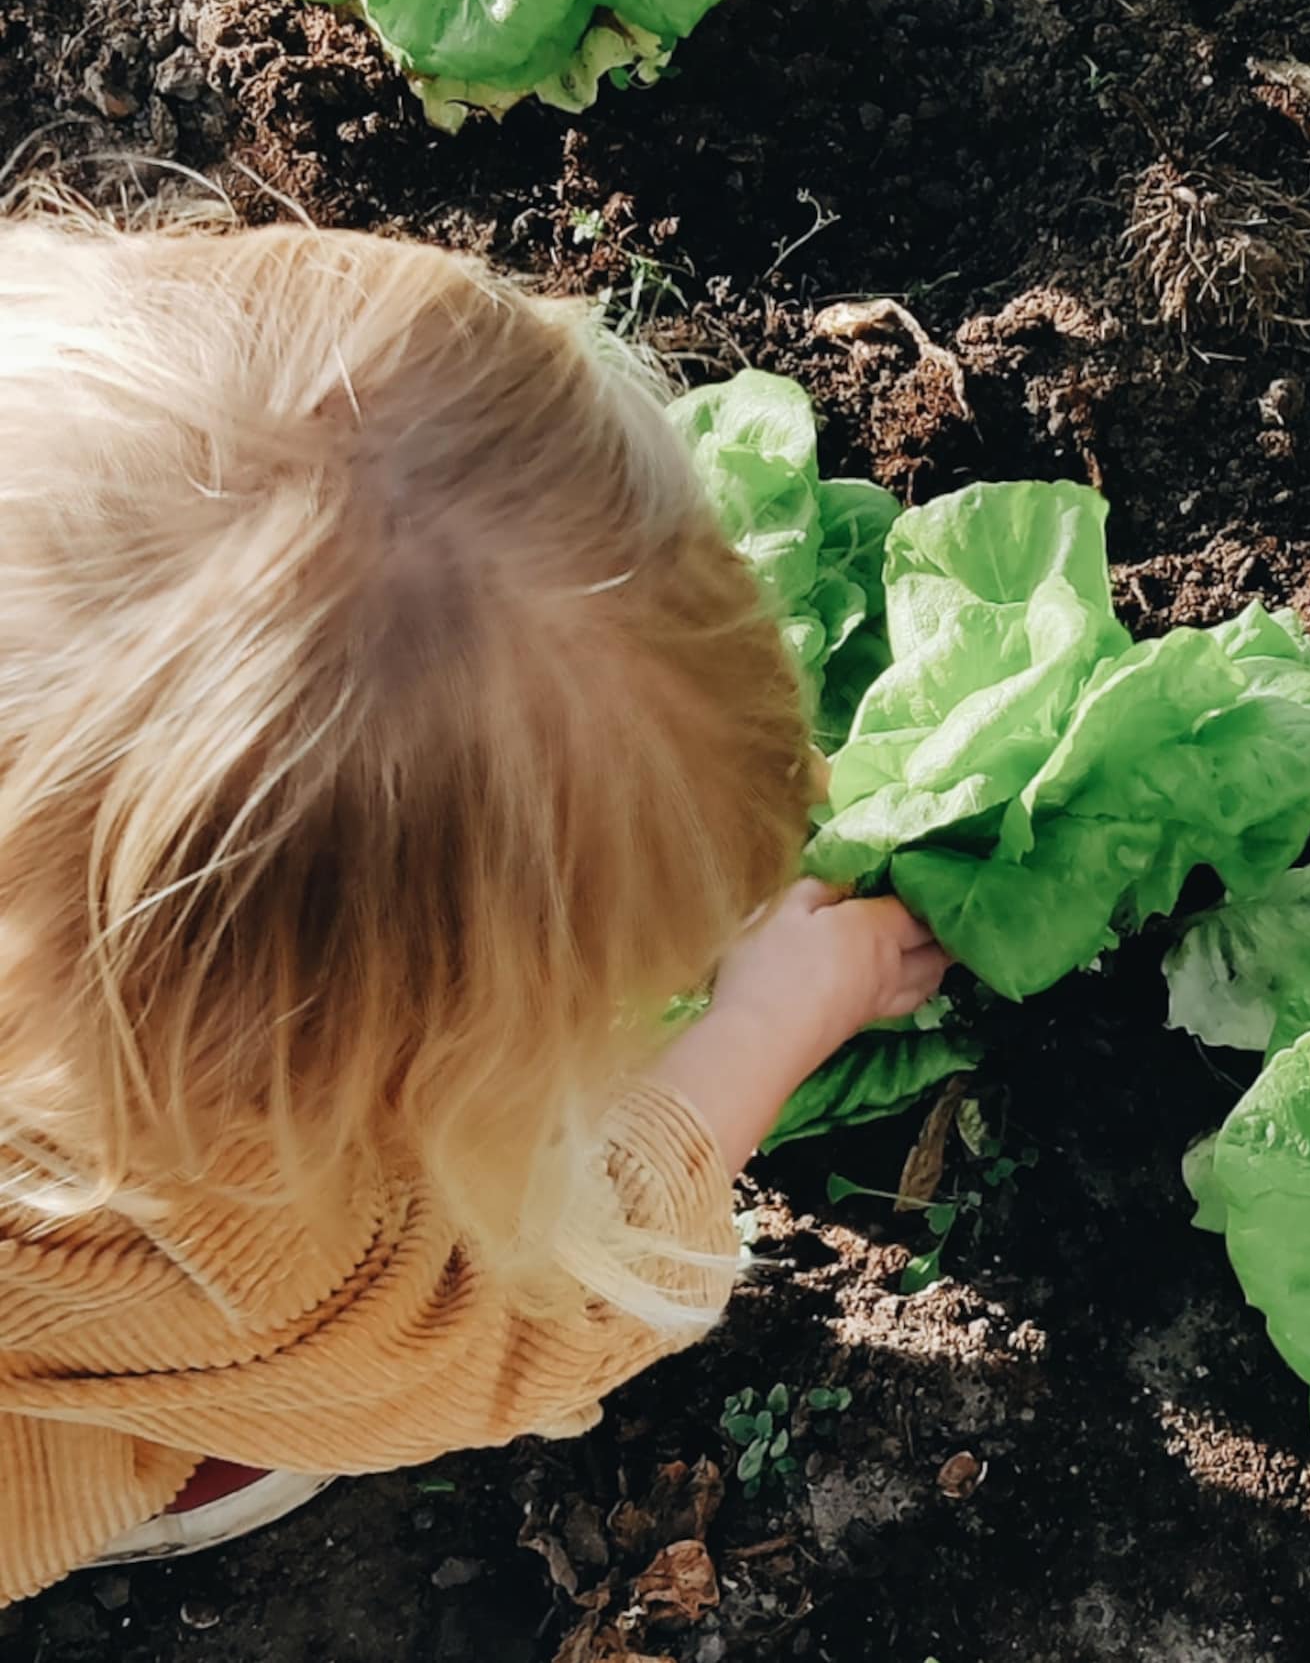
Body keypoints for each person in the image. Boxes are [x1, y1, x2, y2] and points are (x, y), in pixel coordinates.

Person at [0, 201, 946, 1603]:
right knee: (247, 1396)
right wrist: (775, 1013)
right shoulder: (211, 1233)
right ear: (314, 1061)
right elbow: (513, 1335)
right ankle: (183, 1447)